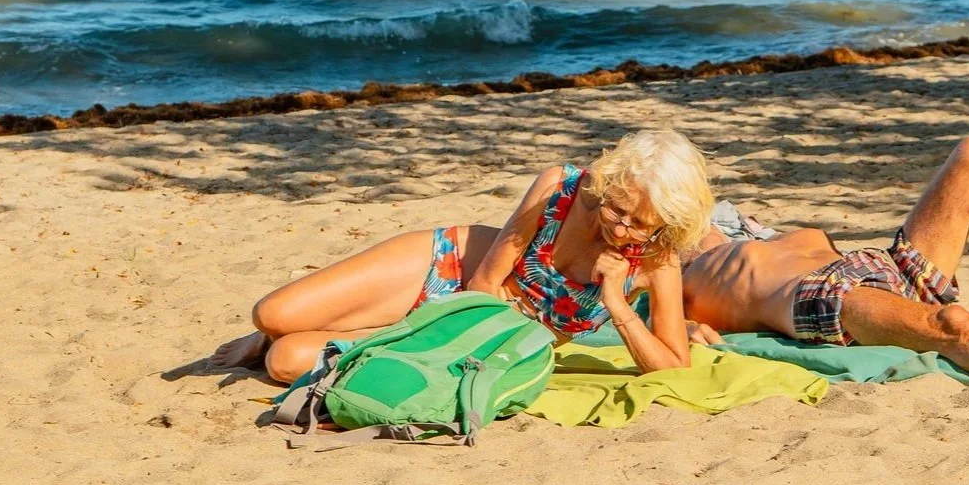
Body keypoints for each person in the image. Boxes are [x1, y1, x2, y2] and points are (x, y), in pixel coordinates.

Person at [211, 127, 714, 382]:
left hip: (481, 338)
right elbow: (484, 284)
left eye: (638, 223)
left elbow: (674, 367)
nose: (620, 227)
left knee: (287, 360)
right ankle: (278, 330)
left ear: (666, 222)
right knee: (271, 314)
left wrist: (618, 304)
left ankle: (314, 335)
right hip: (450, 271)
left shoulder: (657, 260)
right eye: (615, 208)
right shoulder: (562, 188)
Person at [683, 134, 969, 381]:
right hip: (822, 297)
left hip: (879, 267)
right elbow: (646, 307)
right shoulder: (666, 253)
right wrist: (683, 326)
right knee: (953, 325)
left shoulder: (744, 226)